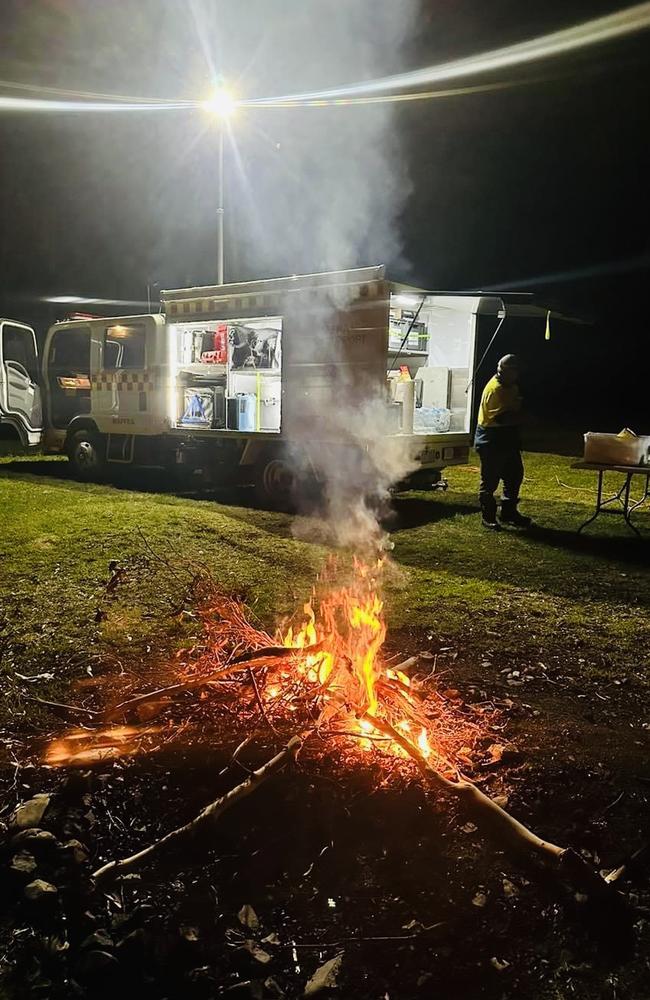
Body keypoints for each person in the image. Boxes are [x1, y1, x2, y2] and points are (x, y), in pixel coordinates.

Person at [474, 354, 531, 530]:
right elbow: (501, 419)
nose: (517, 376)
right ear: (506, 371)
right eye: (515, 372)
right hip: (491, 438)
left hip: (506, 438)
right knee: (490, 480)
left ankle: (508, 512)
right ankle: (488, 516)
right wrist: (524, 418)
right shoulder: (495, 389)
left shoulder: (510, 385)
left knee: (514, 475)